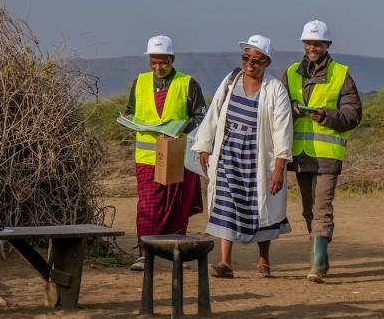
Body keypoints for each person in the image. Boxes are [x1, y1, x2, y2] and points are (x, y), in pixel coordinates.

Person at [192, 34, 293, 279]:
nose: (250, 64)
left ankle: (263, 259)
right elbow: (214, 113)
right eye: (246, 58)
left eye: (257, 60)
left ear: (266, 62)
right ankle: (225, 262)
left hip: (259, 155)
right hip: (228, 152)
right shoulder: (230, 81)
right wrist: (204, 145)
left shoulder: (275, 90)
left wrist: (279, 166)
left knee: (261, 204)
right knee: (225, 202)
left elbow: (283, 128)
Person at [282, 20, 363, 283]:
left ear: (327, 45)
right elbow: (276, 110)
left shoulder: (341, 74)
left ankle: (316, 262)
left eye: (317, 43)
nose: (312, 47)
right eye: (308, 43)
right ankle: (321, 254)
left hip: (328, 153)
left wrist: (325, 115)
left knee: (322, 207)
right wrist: (291, 109)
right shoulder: (292, 72)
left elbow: (353, 115)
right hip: (301, 153)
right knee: (308, 209)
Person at [123, 35, 207, 271]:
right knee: (148, 207)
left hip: (176, 155)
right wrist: (128, 120)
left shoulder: (188, 83)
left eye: (163, 62)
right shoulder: (139, 82)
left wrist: (178, 128)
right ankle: (145, 254)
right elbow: (130, 111)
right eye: (153, 63)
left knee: (176, 205)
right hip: (147, 158)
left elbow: (201, 116)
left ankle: (176, 253)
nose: (158, 67)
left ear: (172, 59)